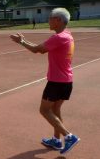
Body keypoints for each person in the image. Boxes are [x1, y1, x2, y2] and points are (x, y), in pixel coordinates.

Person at [10, 8, 80, 154]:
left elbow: (37, 50)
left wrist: (21, 42)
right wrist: (23, 40)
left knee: (44, 110)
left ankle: (69, 136)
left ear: (58, 20)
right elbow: (39, 48)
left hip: (56, 82)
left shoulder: (59, 37)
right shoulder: (67, 35)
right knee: (55, 110)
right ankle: (56, 140)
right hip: (67, 81)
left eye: (50, 18)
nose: (48, 20)